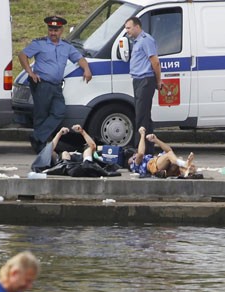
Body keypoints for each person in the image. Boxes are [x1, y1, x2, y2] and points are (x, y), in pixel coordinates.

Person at [18, 16, 92, 154]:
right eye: (51, 30)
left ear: (61, 30)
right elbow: (22, 55)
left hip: (56, 86)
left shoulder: (66, 46)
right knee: (41, 115)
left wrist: (86, 69)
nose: (53, 33)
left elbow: (79, 58)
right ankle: (40, 145)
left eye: (56, 30)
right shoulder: (39, 44)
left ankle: (38, 137)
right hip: (42, 85)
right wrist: (30, 73)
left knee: (59, 112)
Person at [124, 16, 162, 155]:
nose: (126, 31)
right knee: (145, 116)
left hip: (146, 80)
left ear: (137, 27)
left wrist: (158, 81)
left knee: (140, 116)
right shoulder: (137, 41)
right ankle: (148, 150)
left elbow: (155, 62)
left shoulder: (146, 40)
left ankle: (138, 150)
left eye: (128, 28)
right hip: (139, 80)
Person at [31, 124, 121, 178]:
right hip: (67, 165)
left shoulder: (84, 152)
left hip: (85, 164)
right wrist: (59, 133)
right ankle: (68, 164)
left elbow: (93, 146)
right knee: (65, 153)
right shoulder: (61, 155)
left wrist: (82, 131)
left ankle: (87, 162)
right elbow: (50, 149)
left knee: (88, 150)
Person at [128, 126, 197, 177]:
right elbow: (140, 153)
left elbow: (169, 150)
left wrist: (156, 140)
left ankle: (186, 170)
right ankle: (184, 165)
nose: (134, 156)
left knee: (178, 159)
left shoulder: (147, 157)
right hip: (154, 166)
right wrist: (142, 135)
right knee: (170, 155)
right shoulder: (135, 164)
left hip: (165, 168)